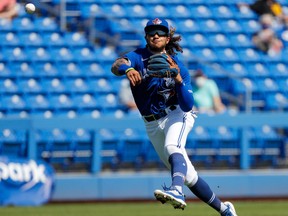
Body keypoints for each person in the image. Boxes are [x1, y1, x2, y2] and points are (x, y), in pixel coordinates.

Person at [111, 18, 237, 215]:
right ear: (145, 36)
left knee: (173, 147)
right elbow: (117, 64)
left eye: (160, 32)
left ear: (168, 38)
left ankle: (177, 191)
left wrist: (178, 79)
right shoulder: (137, 57)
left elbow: (187, 106)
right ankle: (225, 209)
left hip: (177, 114)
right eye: (151, 31)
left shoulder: (179, 67)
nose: (156, 35)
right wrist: (127, 69)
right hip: (151, 123)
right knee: (188, 175)